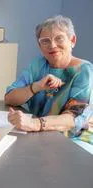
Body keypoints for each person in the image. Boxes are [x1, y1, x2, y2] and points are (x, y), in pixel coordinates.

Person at [5, 15, 93, 144]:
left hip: (75, 138)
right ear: (40, 46)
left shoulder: (84, 71)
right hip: (40, 134)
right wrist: (36, 87)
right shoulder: (37, 65)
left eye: (59, 38)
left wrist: (35, 124)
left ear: (72, 40)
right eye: (45, 41)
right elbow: (9, 97)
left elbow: (74, 118)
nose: (52, 45)